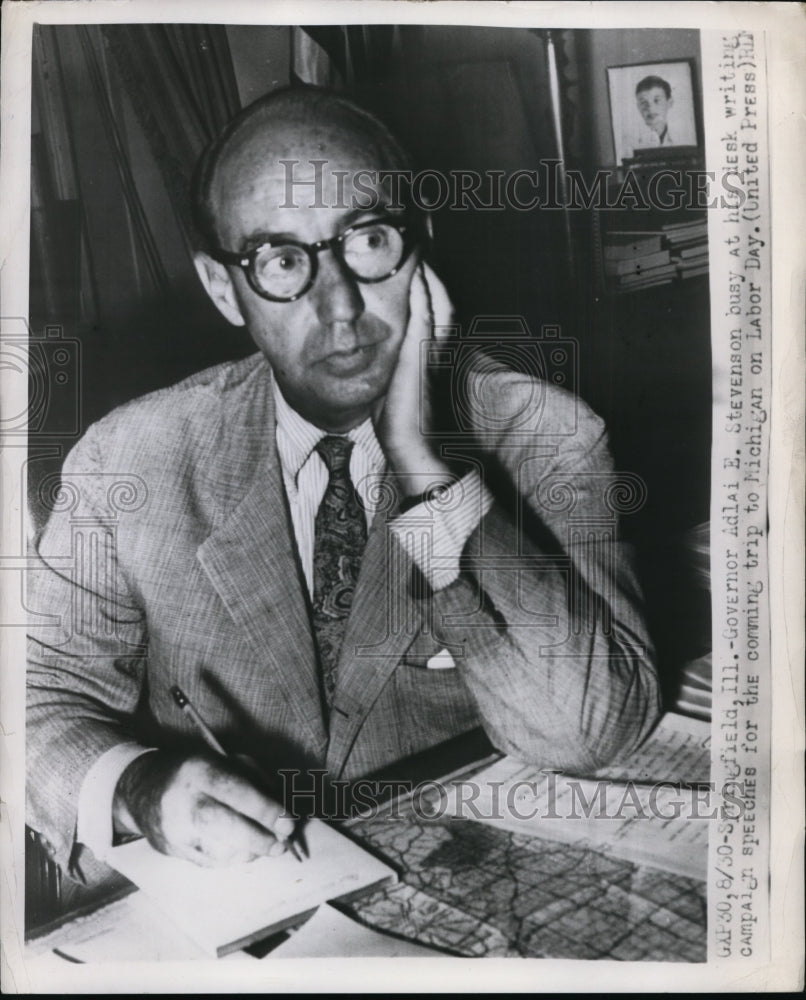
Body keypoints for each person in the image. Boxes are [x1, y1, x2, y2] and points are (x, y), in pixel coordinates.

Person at [27, 86, 661, 885]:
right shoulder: (129, 459)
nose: (341, 310)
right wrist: (141, 789)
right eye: (282, 261)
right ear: (225, 289)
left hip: (461, 887)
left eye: (366, 240)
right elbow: (28, 697)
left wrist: (430, 471)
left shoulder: (548, 435)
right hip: (218, 911)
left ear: (419, 245)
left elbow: (589, 730)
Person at [633, 75, 675, 148]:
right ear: (638, 107)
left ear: (669, 103)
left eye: (657, 101)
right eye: (643, 102)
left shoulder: (685, 138)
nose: (650, 108)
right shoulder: (631, 144)